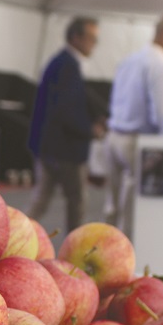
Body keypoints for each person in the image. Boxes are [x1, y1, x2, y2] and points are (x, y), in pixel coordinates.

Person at [103, 13, 163, 234]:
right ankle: (122, 260)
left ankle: (102, 250)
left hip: (113, 136)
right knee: (130, 211)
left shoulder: (130, 59)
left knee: (111, 206)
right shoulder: (160, 65)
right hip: (136, 141)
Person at [26, 16, 103, 233]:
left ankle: (16, 237)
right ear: (76, 37)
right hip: (65, 150)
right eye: (92, 38)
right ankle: (74, 249)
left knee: (41, 199)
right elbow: (67, 109)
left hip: (51, 147)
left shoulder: (62, 62)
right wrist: (90, 131)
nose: (94, 44)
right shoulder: (67, 65)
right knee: (76, 202)